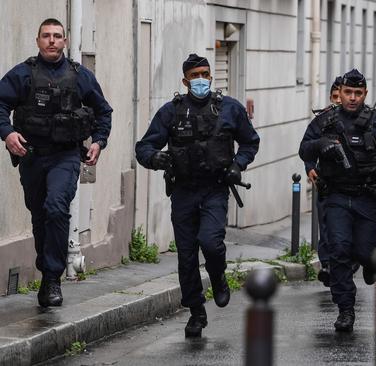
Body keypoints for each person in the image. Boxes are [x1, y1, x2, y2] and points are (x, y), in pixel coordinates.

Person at [135, 54, 260, 338]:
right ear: (185, 80)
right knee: (187, 256)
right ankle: (195, 311)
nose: (200, 79)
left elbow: (250, 142)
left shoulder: (229, 109)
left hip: (215, 189)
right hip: (184, 191)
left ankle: (218, 277)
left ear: (211, 76)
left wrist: (237, 165)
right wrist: (157, 158)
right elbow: (144, 147)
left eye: (205, 73)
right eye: (194, 75)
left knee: (211, 243)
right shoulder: (171, 112)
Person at [0, 18, 112, 308]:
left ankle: (52, 278)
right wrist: (8, 133)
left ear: (65, 41)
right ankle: (47, 269)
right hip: (32, 155)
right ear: (38, 41)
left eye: (57, 36)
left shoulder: (80, 76)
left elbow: (103, 112)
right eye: (46, 36)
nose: (52, 40)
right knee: (40, 216)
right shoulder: (23, 74)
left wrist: (99, 141)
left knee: (56, 208)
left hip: (66, 155)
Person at [299, 69, 376, 332]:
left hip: (368, 197)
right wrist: (320, 145)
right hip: (336, 196)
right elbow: (304, 148)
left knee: (365, 252)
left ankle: (371, 264)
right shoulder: (325, 121)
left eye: (358, 93)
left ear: (365, 94)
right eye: (348, 92)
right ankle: (345, 308)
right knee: (338, 251)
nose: (352, 98)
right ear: (341, 93)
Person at [306, 76, 343, 286]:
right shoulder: (322, 120)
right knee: (326, 226)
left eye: (342, 96)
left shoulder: (362, 118)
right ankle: (327, 265)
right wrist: (310, 167)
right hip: (327, 181)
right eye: (335, 97)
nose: (338, 101)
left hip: (353, 185)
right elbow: (308, 146)